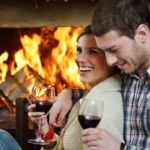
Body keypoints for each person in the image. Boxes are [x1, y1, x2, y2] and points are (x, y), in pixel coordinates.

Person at [49, 0, 150, 149]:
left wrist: (119, 148)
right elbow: (104, 89)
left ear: (142, 34)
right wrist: (69, 94)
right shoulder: (128, 72)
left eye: (114, 49)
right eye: (104, 51)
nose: (110, 61)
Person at [28, 25, 124, 150]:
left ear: (111, 59)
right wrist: (44, 126)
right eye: (79, 50)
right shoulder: (94, 94)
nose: (80, 59)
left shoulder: (102, 103)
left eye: (93, 51)